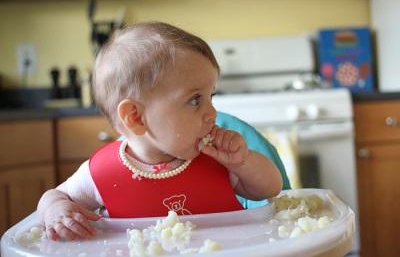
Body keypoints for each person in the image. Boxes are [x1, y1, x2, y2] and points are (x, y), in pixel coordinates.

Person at [37, 21, 283, 241]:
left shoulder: (215, 157)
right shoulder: (101, 174)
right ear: (135, 117)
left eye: (211, 96)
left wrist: (242, 162)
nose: (213, 113)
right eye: (195, 100)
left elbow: (269, 189)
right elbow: (55, 196)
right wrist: (55, 211)